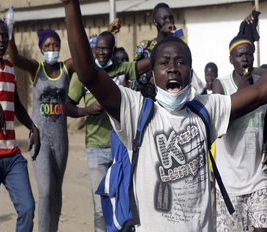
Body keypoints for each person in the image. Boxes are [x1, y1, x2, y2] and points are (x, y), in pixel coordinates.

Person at [61, 0, 267, 231]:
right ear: (153, 72)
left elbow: (259, 92)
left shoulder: (205, 109)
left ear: (190, 71)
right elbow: (88, 74)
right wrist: (70, 5)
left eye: (181, 62)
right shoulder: (136, 111)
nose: (172, 67)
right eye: (164, 62)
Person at [0, 19, 40, 232]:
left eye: (4, 35)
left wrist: (33, 127)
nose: (1, 39)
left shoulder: (11, 69)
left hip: (11, 155)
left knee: (28, 208)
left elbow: (17, 104)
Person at [64, 30, 134, 232]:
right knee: (100, 209)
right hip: (96, 148)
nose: (102, 52)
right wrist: (88, 110)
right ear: (94, 49)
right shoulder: (83, 75)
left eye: (107, 49)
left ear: (113, 50)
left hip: (122, 146)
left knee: (125, 203)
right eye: (99, 48)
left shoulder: (121, 69)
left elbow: (143, 66)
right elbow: (67, 106)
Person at [7, 27, 74, 232]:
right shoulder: (36, 69)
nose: (51, 48)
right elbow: (16, 58)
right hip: (40, 139)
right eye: (47, 46)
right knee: (45, 191)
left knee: (55, 192)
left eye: (55, 45)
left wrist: (108, 31)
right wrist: (10, 32)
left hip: (61, 139)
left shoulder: (66, 69)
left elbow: (85, 54)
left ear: (60, 47)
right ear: (41, 49)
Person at [212, 34, 267, 232]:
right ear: (230, 59)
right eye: (239, 55)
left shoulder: (261, 83)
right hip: (229, 182)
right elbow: (218, 126)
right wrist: (242, 93)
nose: (244, 59)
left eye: (249, 54)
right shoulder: (221, 84)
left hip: (258, 176)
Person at [132, 2, 205, 98]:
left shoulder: (179, 44)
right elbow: (134, 74)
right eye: (164, 18)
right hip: (147, 101)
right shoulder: (144, 46)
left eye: (171, 18)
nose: (169, 21)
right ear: (155, 22)